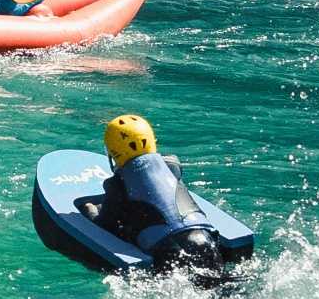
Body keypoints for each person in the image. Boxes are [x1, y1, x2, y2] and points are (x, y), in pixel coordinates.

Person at [84, 114, 225, 273]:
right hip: (205, 238)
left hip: (167, 250)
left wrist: (91, 211)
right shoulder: (172, 166)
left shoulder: (117, 184)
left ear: (113, 153)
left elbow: (104, 225)